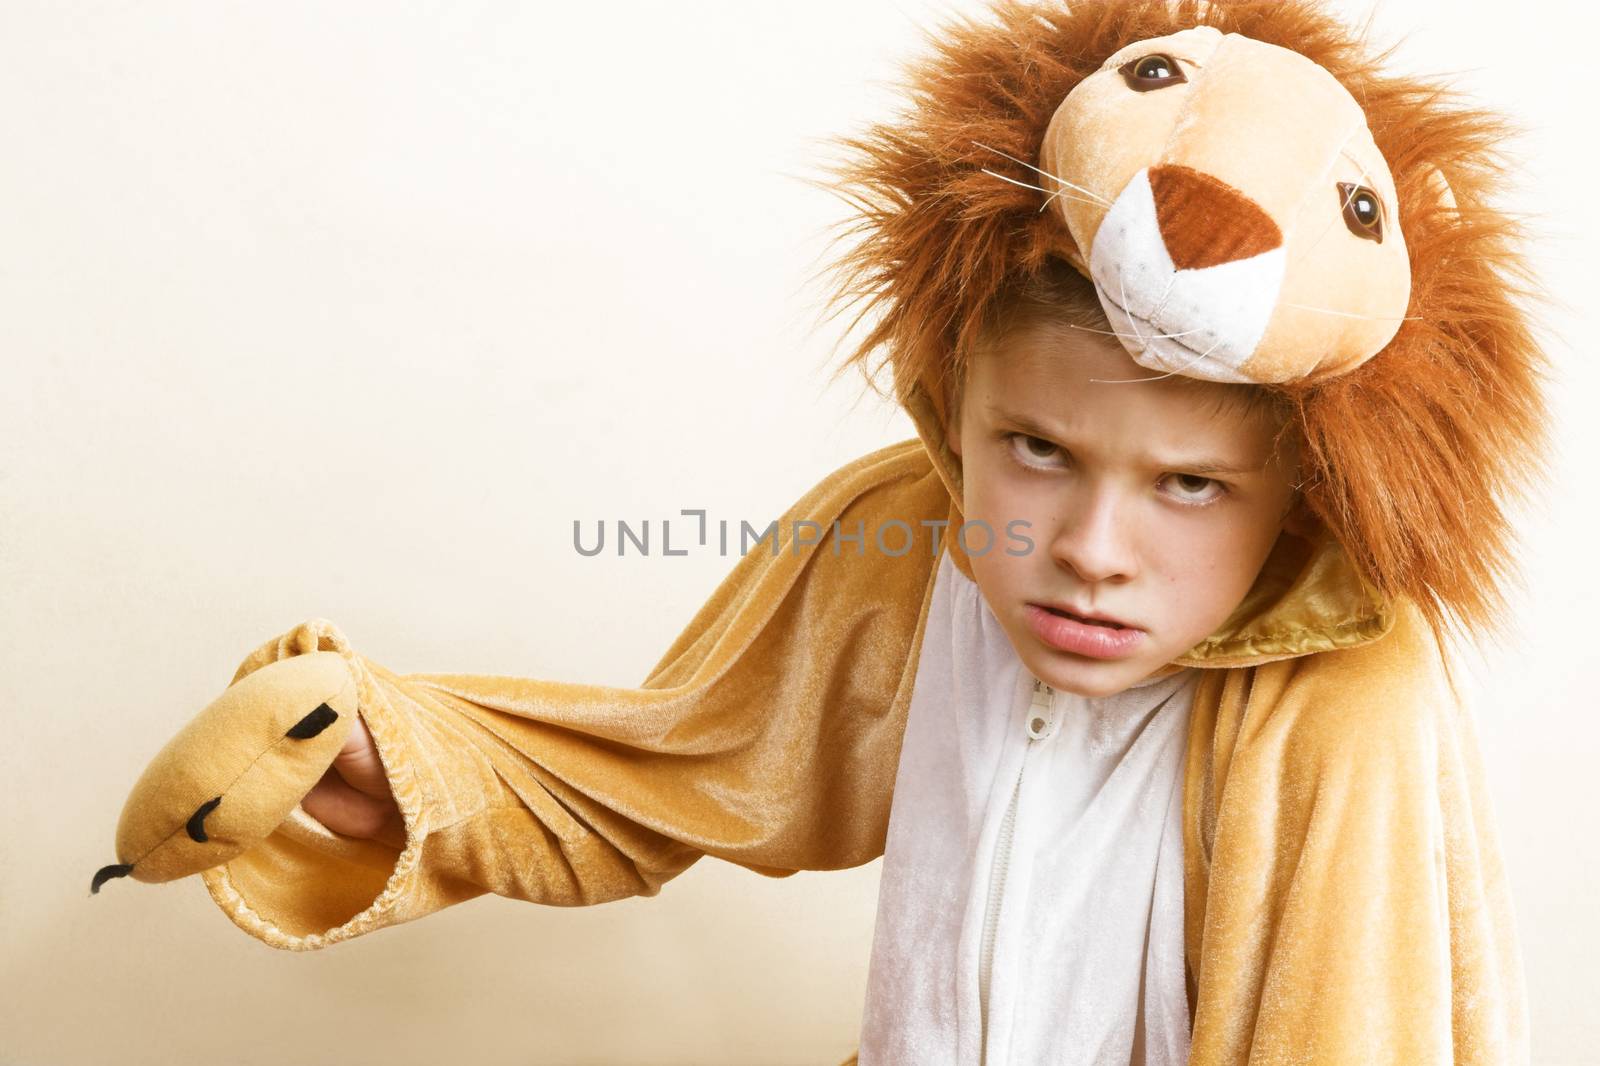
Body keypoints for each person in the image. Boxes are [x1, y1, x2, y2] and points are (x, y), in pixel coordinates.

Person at [174, 1, 1546, 1062]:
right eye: (1037, 451)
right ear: (955, 409)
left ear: (1298, 491)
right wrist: (394, 759)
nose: (1088, 545)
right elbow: (670, 763)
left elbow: (1354, 1032)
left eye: (1189, 485)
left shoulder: (1349, 693)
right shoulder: (905, 541)